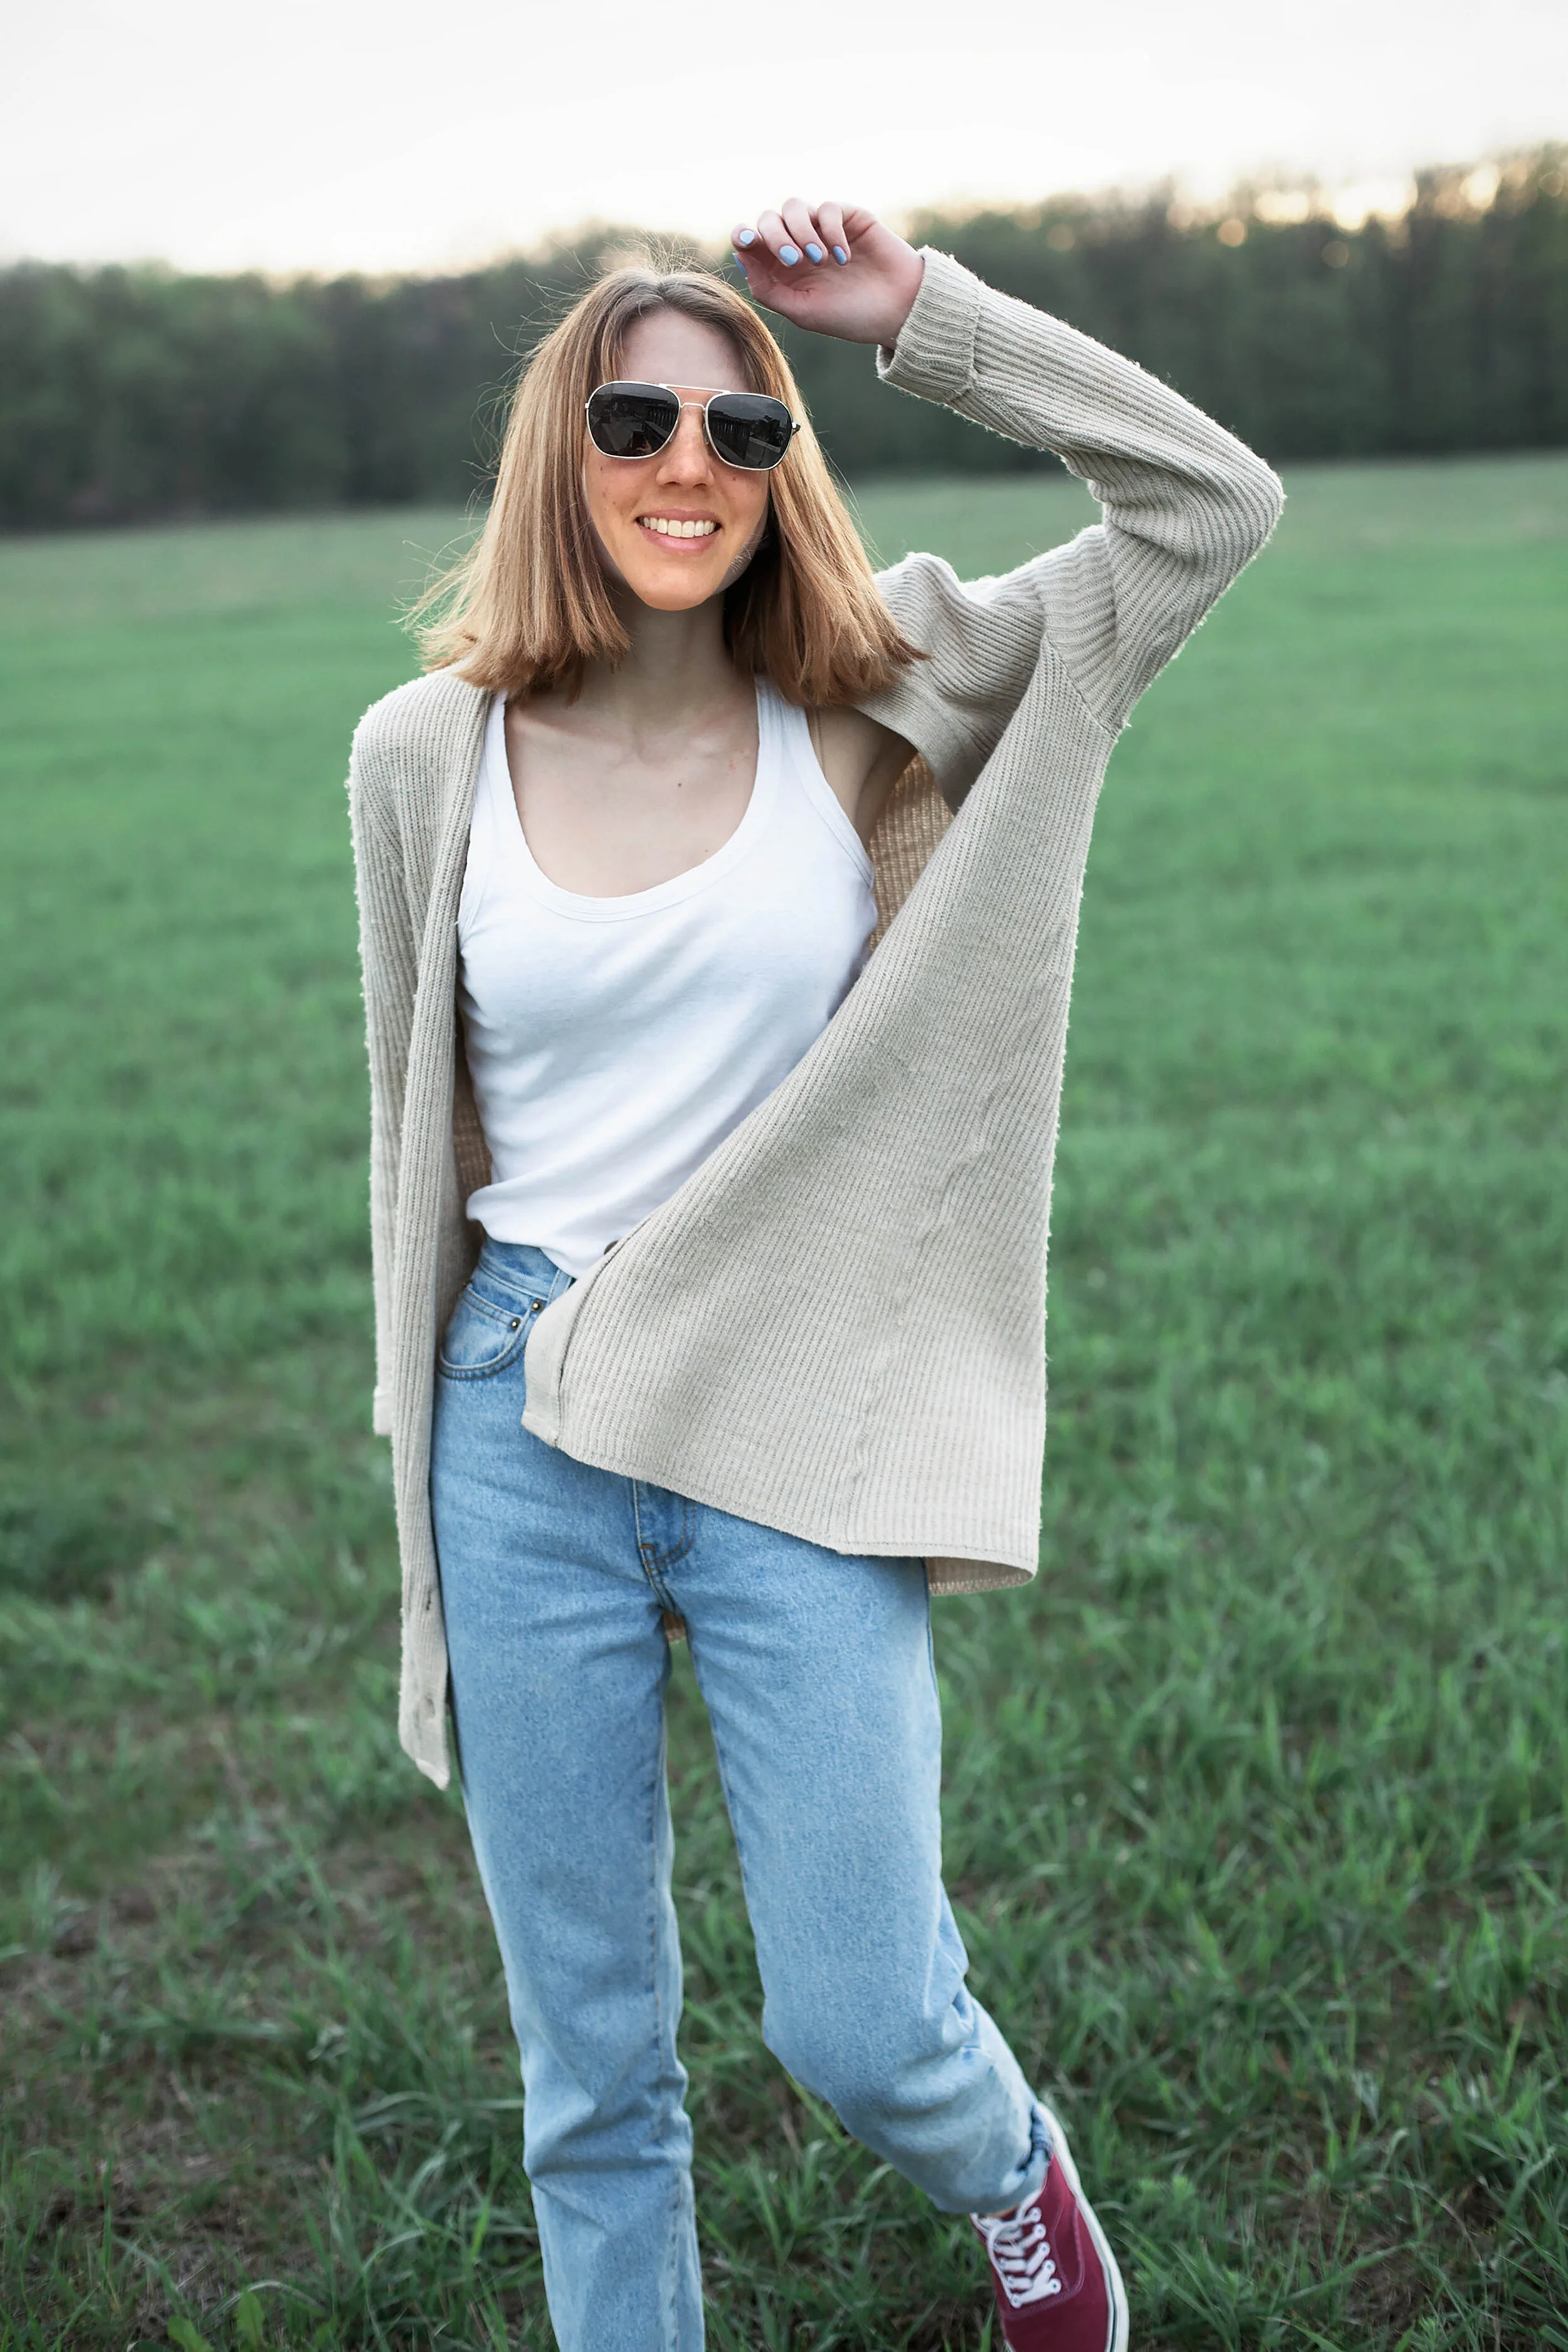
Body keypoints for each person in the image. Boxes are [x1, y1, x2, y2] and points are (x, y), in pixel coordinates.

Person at [348, 195, 1282, 2352]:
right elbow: (418, 1132)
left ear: (783, 465)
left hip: (791, 1394)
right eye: (637, 421)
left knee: (859, 2018)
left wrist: (919, 317)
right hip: (517, 1410)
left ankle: (1011, 2175)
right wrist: (422, 1438)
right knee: (589, 2060)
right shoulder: (422, 756)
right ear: (564, 454)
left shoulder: (883, 697)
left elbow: (1206, 508)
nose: (688, 463)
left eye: (740, 427)